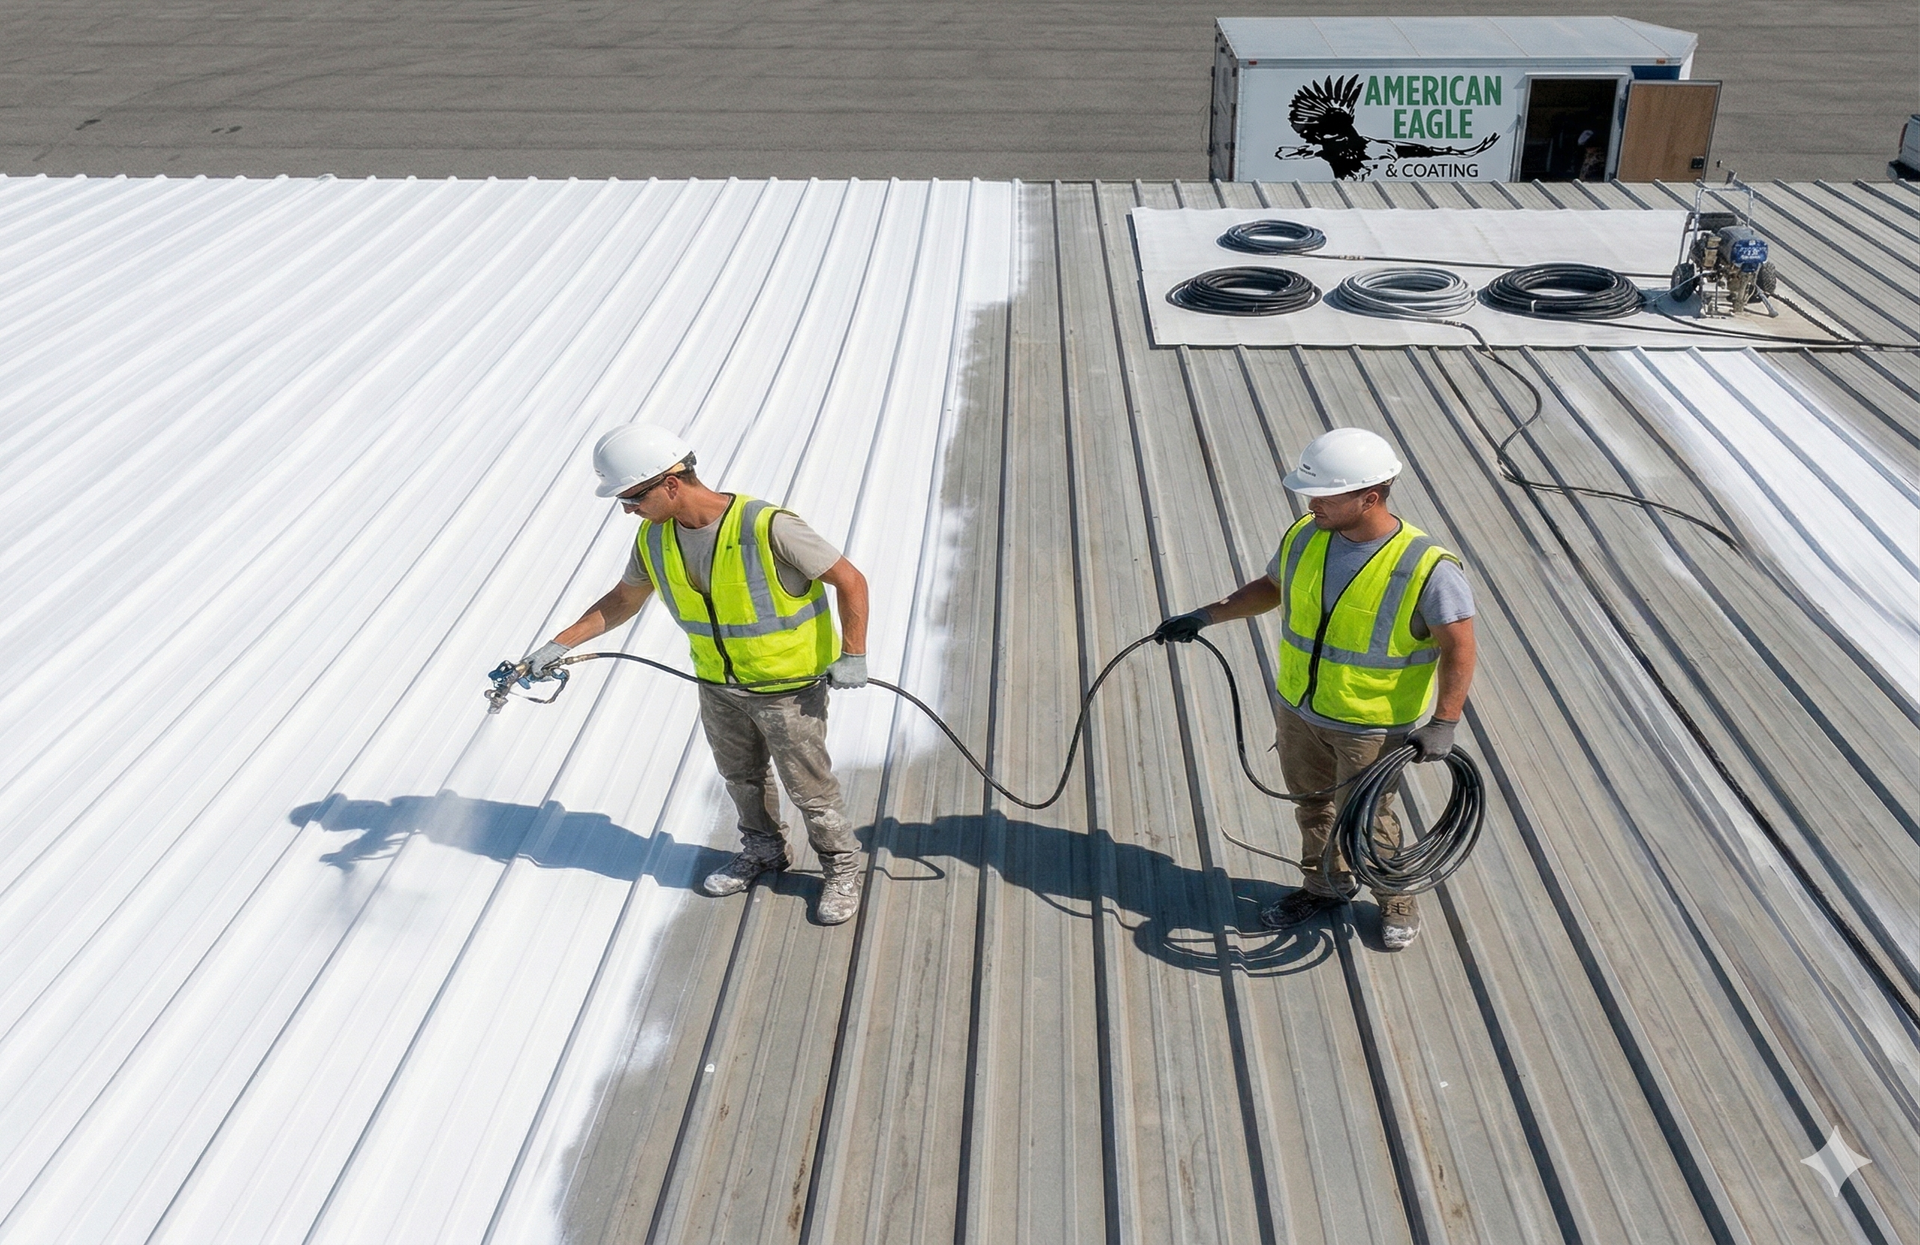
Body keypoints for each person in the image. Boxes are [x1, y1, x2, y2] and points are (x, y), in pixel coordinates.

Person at [508, 425, 873, 925]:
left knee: (809, 788)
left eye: (633, 498)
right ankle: (764, 850)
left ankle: (841, 869)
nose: (628, 510)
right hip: (717, 684)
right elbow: (623, 600)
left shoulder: (766, 526)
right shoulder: (654, 538)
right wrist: (558, 644)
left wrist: (853, 654)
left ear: (671, 483)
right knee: (741, 777)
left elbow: (850, 580)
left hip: (786, 688)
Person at [1154, 428, 1476, 951]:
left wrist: (1445, 722)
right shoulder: (1306, 535)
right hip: (1299, 709)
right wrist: (1206, 615)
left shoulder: (1426, 567)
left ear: (1369, 497)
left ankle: (1394, 899)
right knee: (1313, 807)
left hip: (1369, 725)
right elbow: (1272, 588)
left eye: (1325, 495)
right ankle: (1325, 886)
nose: (1312, 503)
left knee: (1368, 819)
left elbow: (1459, 646)